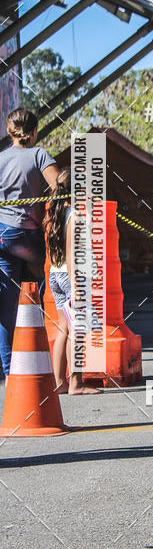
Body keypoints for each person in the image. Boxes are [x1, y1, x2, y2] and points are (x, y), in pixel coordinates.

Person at [0, 108, 59, 381]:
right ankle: (40, 360)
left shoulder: (1, 159)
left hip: (2, 235)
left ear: (9, 132)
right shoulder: (39, 155)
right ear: (34, 131)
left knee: (6, 306)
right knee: (37, 295)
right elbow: (58, 184)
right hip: (28, 236)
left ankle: (11, 372)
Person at [44, 169, 100, 395]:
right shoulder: (76, 216)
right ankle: (76, 382)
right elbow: (73, 252)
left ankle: (60, 382)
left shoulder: (55, 214)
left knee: (63, 329)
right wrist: (77, 285)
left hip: (56, 274)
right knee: (78, 330)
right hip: (72, 277)